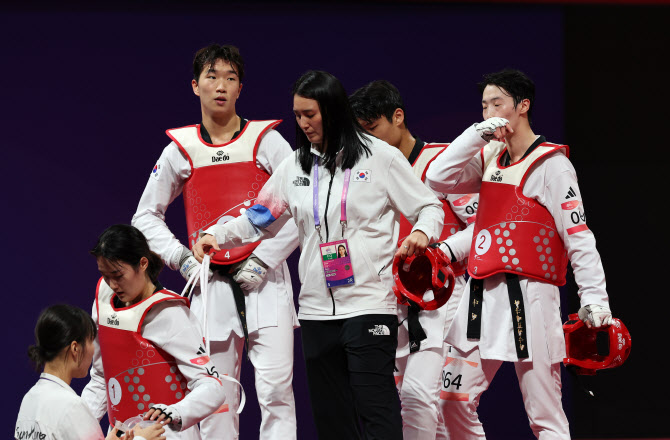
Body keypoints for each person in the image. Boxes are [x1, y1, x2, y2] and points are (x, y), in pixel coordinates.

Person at [192, 70, 444, 440]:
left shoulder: (380, 158)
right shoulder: (295, 166)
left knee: (377, 410)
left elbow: (429, 208)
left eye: (310, 114)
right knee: (331, 420)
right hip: (315, 311)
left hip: (369, 304)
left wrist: (421, 233)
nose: (303, 123)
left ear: (333, 109)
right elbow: (258, 217)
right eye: (297, 115)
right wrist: (216, 235)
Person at [424, 69, 613, 439]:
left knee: (545, 417)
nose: (490, 112)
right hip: (481, 298)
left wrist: (595, 296)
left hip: (531, 298)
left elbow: (579, 236)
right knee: (451, 399)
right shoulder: (490, 156)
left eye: (498, 104)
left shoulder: (552, 165)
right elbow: (437, 177)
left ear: (523, 106)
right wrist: (475, 135)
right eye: (484, 106)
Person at [131, 44, 299, 440]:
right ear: (195, 86)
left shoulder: (267, 141)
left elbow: (301, 203)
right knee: (215, 398)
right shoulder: (180, 150)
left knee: (276, 393)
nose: (221, 86)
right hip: (210, 286)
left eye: (230, 77)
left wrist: (266, 258)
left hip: (267, 282)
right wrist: (182, 260)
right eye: (212, 76)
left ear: (241, 87)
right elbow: (144, 216)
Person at [349, 80, 478, 440]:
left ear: (399, 117)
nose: (368, 141)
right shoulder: (364, 170)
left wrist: (442, 251)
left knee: (430, 400)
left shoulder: (442, 163)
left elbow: (482, 226)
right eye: (362, 133)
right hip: (387, 302)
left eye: (373, 129)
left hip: (442, 301)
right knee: (420, 408)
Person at [81, 224, 226, 440]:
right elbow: (102, 377)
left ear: (142, 263)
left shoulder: (169, 312)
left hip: (167, 435)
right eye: (105, 275)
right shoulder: (103, 299)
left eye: (118, 275)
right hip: (123, 435)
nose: (112, 284)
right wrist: (77, 425)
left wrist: (175, 412)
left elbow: (212, 387)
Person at [16, 304, 165, 440]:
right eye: (90, 341)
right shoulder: (71, 406)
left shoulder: (29, 399)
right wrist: (141, 438)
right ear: (75, 348)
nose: (94, 349)